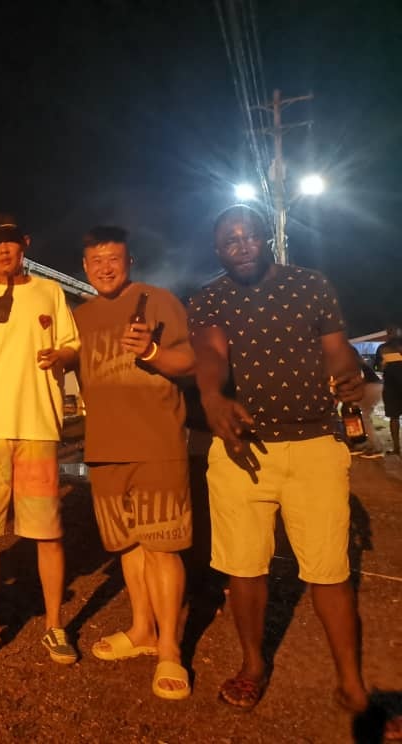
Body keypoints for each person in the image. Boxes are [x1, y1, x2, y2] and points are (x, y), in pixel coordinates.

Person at [189, 205, 400, 738]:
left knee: (330, 571)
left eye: (248, 236)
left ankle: (351, 682)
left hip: (313, 446)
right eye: (230, 240)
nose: (241, 245)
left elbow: (336, 352)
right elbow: (210, 353)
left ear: (266, 238)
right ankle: (252, 665)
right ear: (218, 250)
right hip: (242, 448)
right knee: (244, 568)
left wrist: (349, 377)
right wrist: (212, 397)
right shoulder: (209, 298)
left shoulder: (311, 286)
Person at [0, 213, 80, 664]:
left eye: (9, 242)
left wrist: (61, 354)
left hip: (37, 426)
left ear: (24, 244)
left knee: (47, 533)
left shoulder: (49, 291)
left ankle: (54, 626)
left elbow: (72, 344)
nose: (2, 250)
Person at [73, 226, 194, 700]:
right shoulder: (81, 316)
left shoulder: (158, 301)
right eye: (96, 260)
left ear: (129, 261)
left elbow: (188, 362)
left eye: (113, 258)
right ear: (85, 266)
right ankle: (142, 628)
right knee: (128, 546)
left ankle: (169, 649)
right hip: (104, 448)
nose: (105, 267)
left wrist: (151, 351)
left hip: (156, 443)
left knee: (163, 545)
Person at [375, 324, 402, 456]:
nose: (392, 333)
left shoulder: (384, 348)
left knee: (393, 417)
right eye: (390, 331)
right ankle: (396, 448)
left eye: (394, 330)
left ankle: (396, 448)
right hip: (391, 387)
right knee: (393, 417)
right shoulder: (382, 348)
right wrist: (382, 364)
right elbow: (377, 367)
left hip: (392, 387)